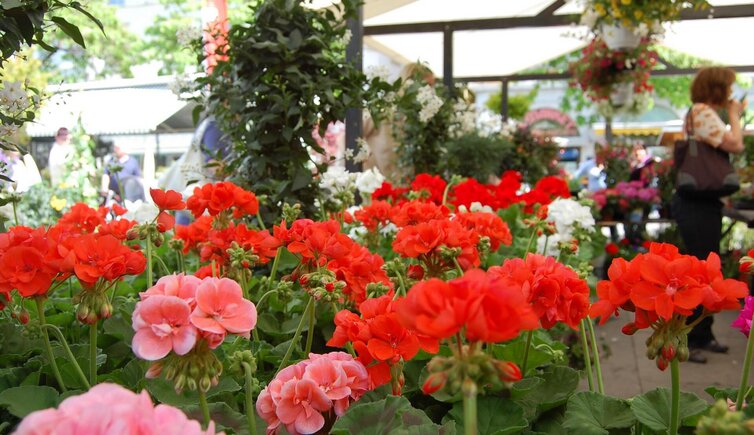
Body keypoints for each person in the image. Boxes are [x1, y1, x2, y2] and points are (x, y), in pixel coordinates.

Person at [671, 67, 746, 364]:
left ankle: (703, 334)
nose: (730, 93)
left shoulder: (702, 113)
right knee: (700, 272)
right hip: (695, 204)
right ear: (717, 88)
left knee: (706, 270)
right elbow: (735, 144)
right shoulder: (702, 111)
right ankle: (688, 338)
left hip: (702, 202)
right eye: (728, 87)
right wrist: (735, 115)